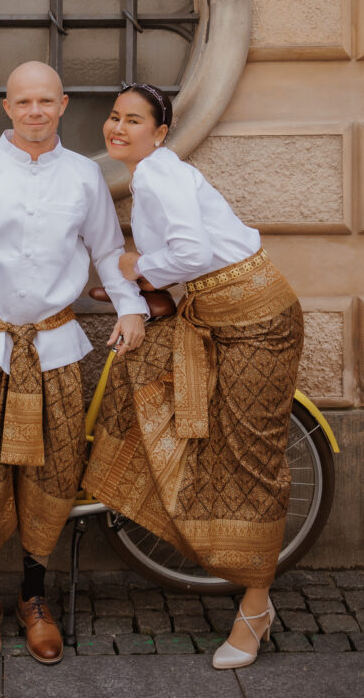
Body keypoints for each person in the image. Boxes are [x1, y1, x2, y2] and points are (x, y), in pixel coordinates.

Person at [82, 83, 303, 670]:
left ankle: (256, 608)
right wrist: (141, 285)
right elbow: (188, 259)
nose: (118, 128)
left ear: (159, 133)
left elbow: (193, 253)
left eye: (134, 120)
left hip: (257, 318)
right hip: (217, 316)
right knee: (162, 390)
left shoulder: (158, 175)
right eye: (113, 117)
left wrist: (136, 266)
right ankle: (184, 524)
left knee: (250, 456)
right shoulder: (153, 174)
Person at [0, 61, 149, 665]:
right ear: (7, 106)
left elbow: (109, 252)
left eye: (46, 102)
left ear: (62, 106)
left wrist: (129, 310)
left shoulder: (84, 176)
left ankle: (34, 596)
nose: (35, 111)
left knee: (53, 470)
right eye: (23, 101)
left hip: (56, 350)